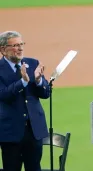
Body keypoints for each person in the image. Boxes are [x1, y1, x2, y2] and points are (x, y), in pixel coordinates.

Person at [0, 31, 50, 171]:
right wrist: (22, 82)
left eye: (21, 44)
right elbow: (3, 95)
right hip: (10, 132)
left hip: (34, 130)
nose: (20, 48)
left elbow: (46, 93)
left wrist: (39, 81)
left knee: (34, 168)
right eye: (15, 45)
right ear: (3, 49)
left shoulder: (33, 63)